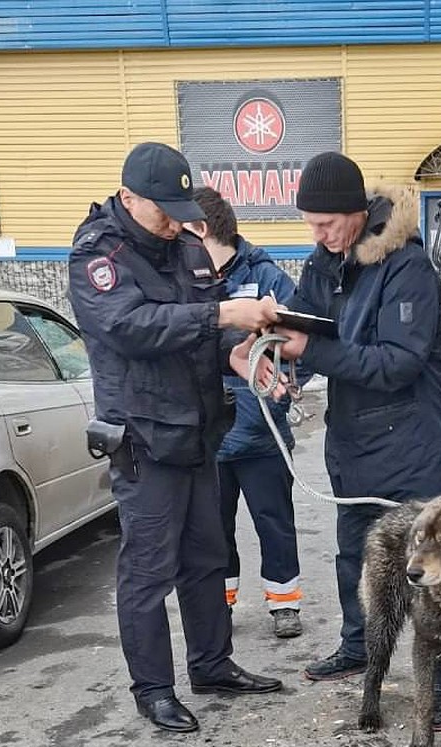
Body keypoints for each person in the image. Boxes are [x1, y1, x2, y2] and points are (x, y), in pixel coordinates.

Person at [68, 141, 284, 735]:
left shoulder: (187, 247)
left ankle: (212, 665)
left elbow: (205, 334)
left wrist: (239, 356)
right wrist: (222, 319)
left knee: (207, 558)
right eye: (161, 207)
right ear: (128, 196)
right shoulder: (97, 255)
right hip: (142, 438)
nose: (174, 219)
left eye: (178, 207)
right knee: (148, 570)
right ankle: (154, 690)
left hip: (197, 432)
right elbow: (130, 327)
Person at [270, 151, 441, 727]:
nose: (318, 234)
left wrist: (314, 352)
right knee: (355, 555)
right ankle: (359, 647)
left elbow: (399, 363)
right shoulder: (324, 264)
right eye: (310, 224)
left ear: (357, 212)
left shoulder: (408, 268)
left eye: (327, 223)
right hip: (352, 443)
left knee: (426, 572)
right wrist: (278, 360)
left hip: (412, 445)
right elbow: (298, 326)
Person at [185, 187, 304, 640]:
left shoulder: (268, 278)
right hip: (208, 436)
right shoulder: (187, 280)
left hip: (261, 433)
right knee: (213, 530)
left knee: (274, 522)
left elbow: (300, 344)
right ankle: (221, 601)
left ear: (201, 229)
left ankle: (284, 601)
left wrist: (286, 386)